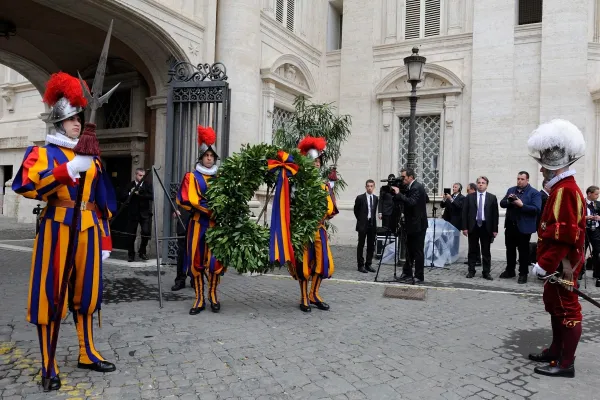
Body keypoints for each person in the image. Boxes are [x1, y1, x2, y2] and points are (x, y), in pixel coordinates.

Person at [11, 72, 117, 391]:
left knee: (86, 294)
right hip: (57, 228)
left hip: (87, 231)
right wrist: (68, 170)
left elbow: (103, 201)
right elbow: (27, 185)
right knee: (51, 296)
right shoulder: (42, 153)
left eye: (78, 118)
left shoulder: (91, 158)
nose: (76, 123)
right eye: (71, 118)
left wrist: (105, 238)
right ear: (59, 122)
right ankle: (49, 362)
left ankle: (87, 352)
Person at [527, 119, 586, 378]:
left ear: (555, 169)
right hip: (558, 263)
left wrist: (545, 264)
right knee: (555, 306)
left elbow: (564, 235)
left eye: (544, 168)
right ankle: (556, 349)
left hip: (563, 265)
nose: (541, 171)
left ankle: (566, 363)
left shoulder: (565, 191)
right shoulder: (561, 189)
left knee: (567, 309)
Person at [176, 125, 224, 314]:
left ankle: (212, 295)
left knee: (215, 262)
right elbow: (187, 199)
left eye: (212, 156)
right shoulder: (191, 177)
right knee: (196, 261)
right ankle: (199, 298)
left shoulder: (221, 178)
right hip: (197, 224)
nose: (209, 158)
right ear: (201, 157)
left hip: (216, 226)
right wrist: (208, 209)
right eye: (206, 155)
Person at [293, 136, 339, 312]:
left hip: (319, 229)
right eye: (314, 160)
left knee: (323, 263)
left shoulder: (324, 185)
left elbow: (331, 208)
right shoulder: (299, 183)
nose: (317, 163)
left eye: (319, 160)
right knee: (304, 266)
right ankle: (304, 297)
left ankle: (314, 294)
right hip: (304, 230)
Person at [499, 171, 541, 284]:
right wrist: (510, 200)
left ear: (527, 180)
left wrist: (522, 205)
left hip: (524, 227)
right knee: (510, 250)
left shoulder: (534, 193)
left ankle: (523, 273)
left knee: (523, 252)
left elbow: (536, 209)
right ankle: (510, 270)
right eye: (518, 178)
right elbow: (502, 203)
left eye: (522, 179)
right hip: (510, 226)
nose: (519, 181)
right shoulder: (511, 190)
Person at [391, 167, 428, 284]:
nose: (402, 179)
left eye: (403, 177)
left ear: (410, 177)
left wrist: (399, 193)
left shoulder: (417, 187)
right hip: (411, 224)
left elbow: (412, 202)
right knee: (409, 251)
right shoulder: (411, 187)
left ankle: (419, 276)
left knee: (417, 251)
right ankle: (407, 273)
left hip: (418, 225)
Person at [462, 176, 499, 280]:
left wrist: (495, 229)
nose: (481, 184)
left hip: (486, 227)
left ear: (486, 185)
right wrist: (464, 227)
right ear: (476, 184)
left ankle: (486, 272)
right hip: (473, 226)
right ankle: (471, 270)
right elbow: (464, 213)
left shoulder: (492, 197)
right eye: (479, 182)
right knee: (472, 250)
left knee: (486, 251)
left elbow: (495, 215)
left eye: (483, 183)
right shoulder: (470, 197)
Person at [122, 168, 153, 262]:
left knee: (146, 232)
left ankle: (142, 252)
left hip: (145, 213)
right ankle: (131, 254)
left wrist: (140, 194)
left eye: (143, 176)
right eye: (140, 175)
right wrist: (130, 193)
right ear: (136, 175)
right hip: (133, 213)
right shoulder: (130, 185)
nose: (142, 177)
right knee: (131, 235)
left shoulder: (147, 185)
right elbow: (122, 196)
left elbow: (151, 196)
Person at [354, 179, 378, 273]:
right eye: (368, 186)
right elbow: (356, 210)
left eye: (371, 186)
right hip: (363, 224)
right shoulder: (360, 198)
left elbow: (374, 211)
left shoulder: (376, 198)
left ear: (374, 187)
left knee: (371, 245)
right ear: (365, 187)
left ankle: (368, 264)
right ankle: (360, 265)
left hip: (372, 224)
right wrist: (361, 220)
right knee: (361, 244)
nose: (369, 188)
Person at [583, 186, 600, 287]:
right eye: (596, 194)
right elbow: (576, 215)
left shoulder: (598, 204)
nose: (597, 196)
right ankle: (580, 273)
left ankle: (597, 273)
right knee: (582, 250)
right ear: (589, 193)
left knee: (597, 251)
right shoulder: (582, 203)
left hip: (595, 230)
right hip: (585, 229)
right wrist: (585, 217)